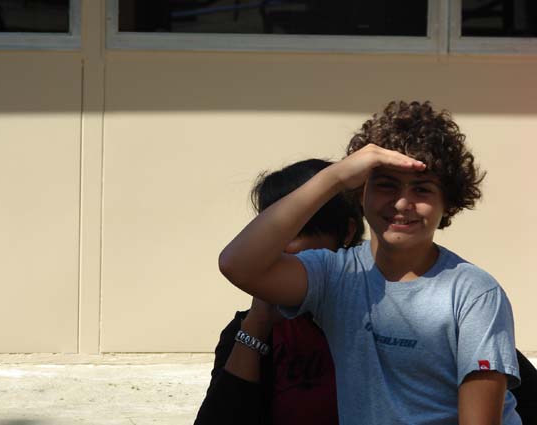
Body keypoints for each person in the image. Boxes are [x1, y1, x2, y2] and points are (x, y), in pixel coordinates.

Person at [218, 101, 523, 424]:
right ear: (360, 193)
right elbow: (238, 264)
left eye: (422, 189)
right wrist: (335, 177)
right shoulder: (336, 275)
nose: (402, 203)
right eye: (386, 185)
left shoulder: (473, 292)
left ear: (447, 204)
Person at [194, 158, 365, 425]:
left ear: (346, 232)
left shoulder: (378, 318)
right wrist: (256, 326)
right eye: (270, 235)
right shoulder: (253, 327)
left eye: (294, 232)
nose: (276, 249)